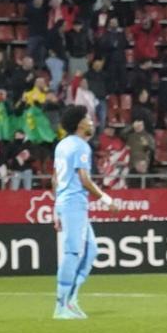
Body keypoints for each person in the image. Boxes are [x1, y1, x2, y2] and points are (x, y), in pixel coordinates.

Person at [51, 105, 118, 319]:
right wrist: (107, 199)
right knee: (73, 252)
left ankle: (70, 301)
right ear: (80, 123)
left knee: (91, 250)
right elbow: (84, 179)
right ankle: (61, 306)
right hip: (73, 203)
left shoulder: (62, 145)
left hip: (66, 202)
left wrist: (55, 207)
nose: (91, 121)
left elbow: (54, 178)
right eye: (88, 118)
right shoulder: (80, 146)